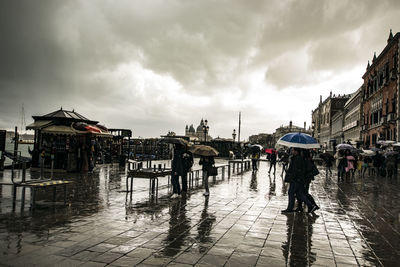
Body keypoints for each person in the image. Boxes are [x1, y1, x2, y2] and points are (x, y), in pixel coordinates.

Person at [281, 148, 318, 213]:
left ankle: (290, 208)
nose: (291, 151)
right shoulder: (298, 158)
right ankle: (311, 206)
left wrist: (291, 176)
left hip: (295, 179)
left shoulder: (297, 159)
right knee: (299, 194)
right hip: (299, 179)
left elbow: (296, 170)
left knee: (291, 193)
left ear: (296, 151)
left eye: (293, 150)